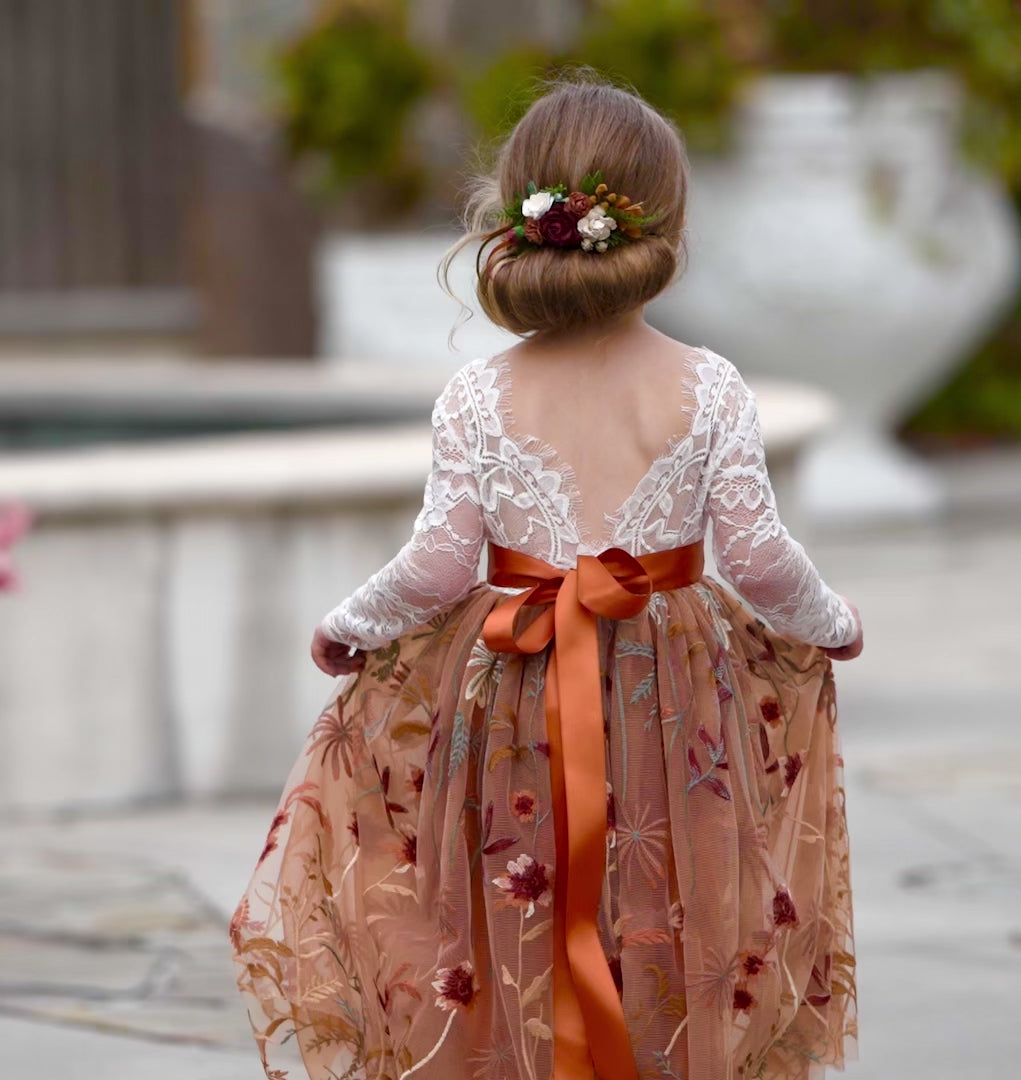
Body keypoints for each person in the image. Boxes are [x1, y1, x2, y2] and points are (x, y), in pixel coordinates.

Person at [231, 77, 862, 1080]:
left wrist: (351, 621)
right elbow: (756, 557)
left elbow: (439, 562)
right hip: (678, 692)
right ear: (669, 220)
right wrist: (831, 621)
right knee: (670, 905)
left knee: (515, 911)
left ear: (521, 215)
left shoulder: (478, 396)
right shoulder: (710, 387)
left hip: (515, 692)